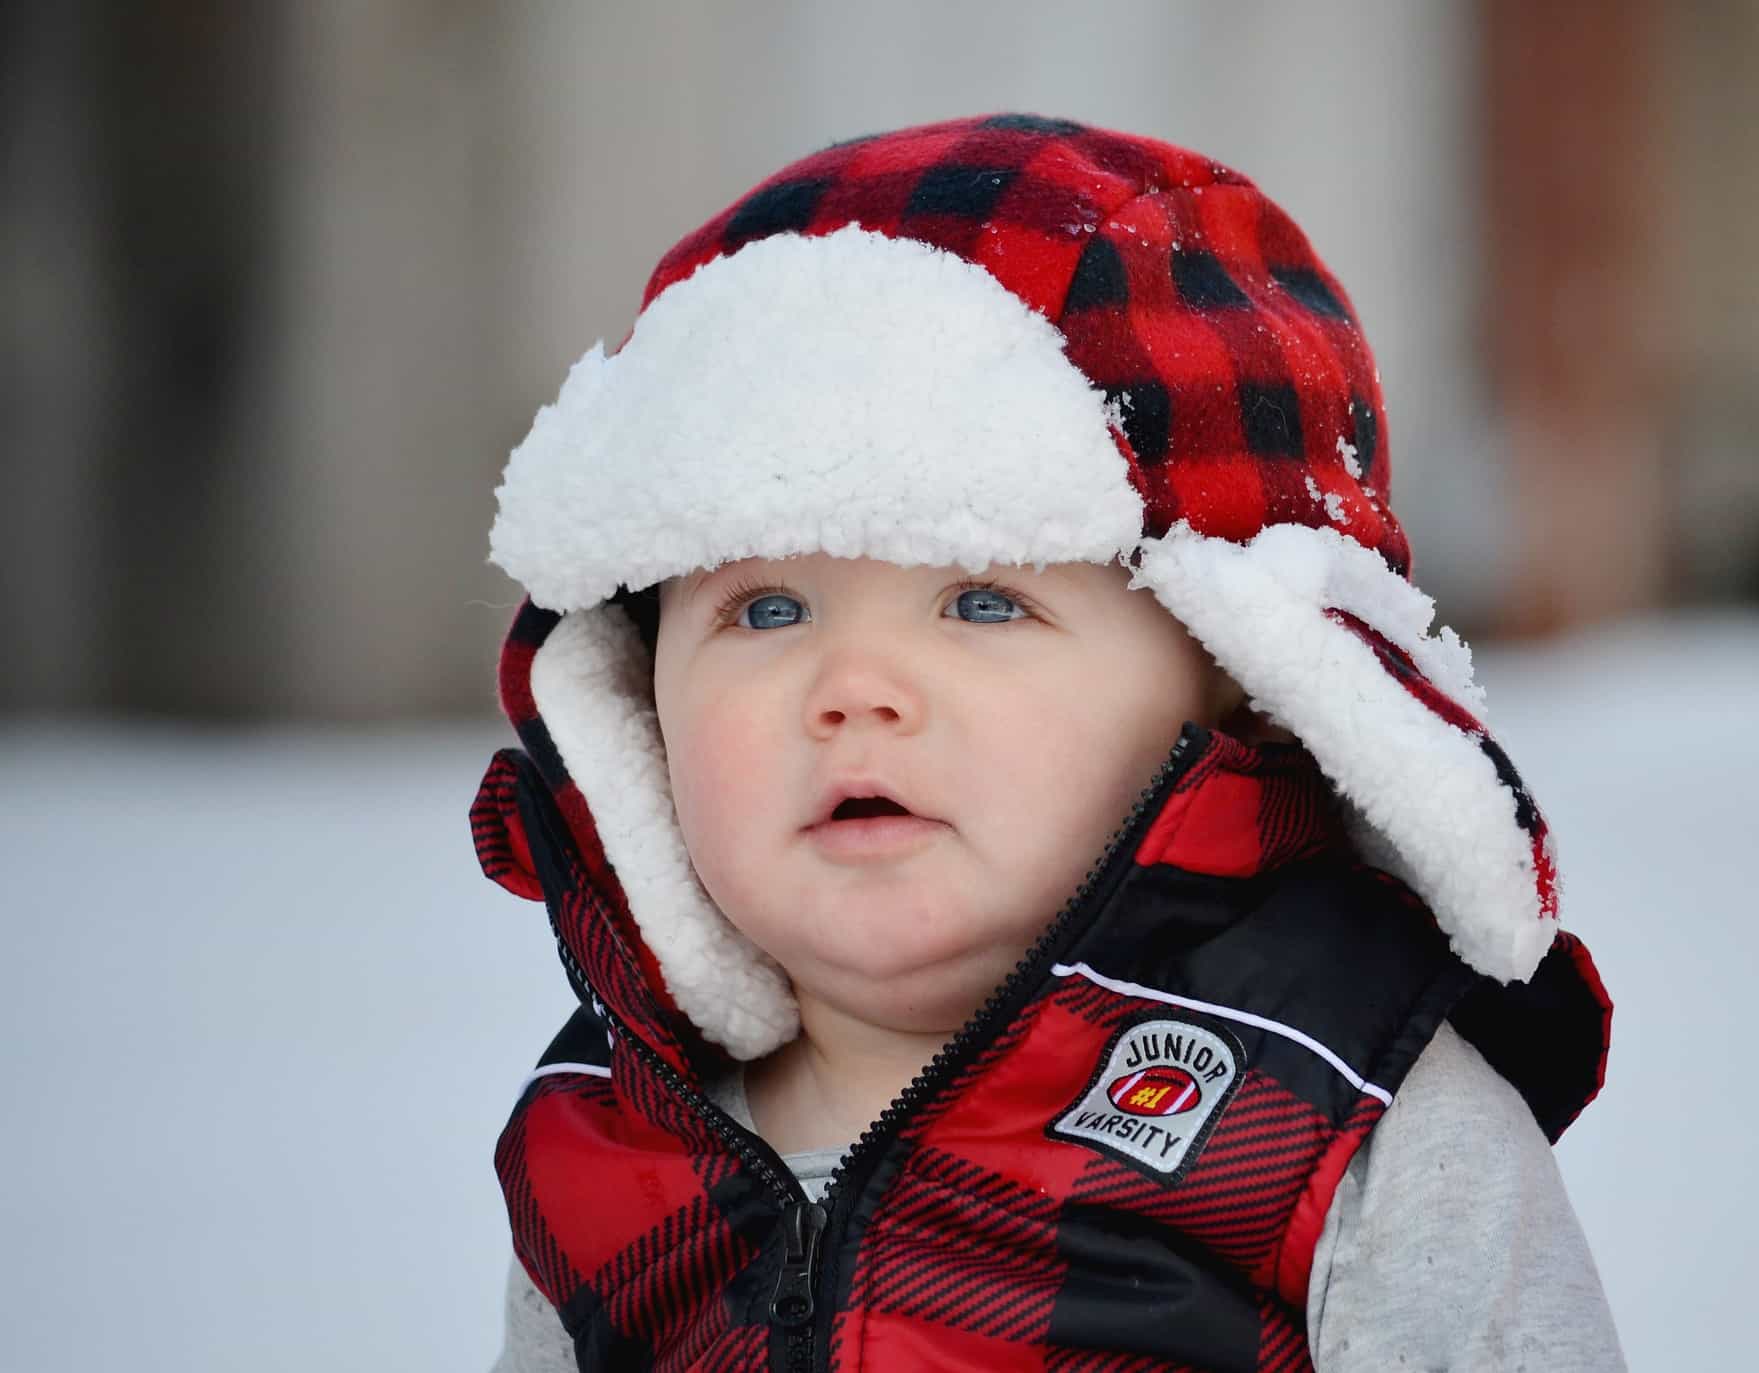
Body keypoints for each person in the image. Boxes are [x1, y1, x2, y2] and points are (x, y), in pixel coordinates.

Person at [471, 113, 1623, 1372]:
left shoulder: (1340, 1114)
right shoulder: (608, 1133)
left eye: (982, 603)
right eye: (766, 608)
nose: (852, 688)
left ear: (1231, 679)